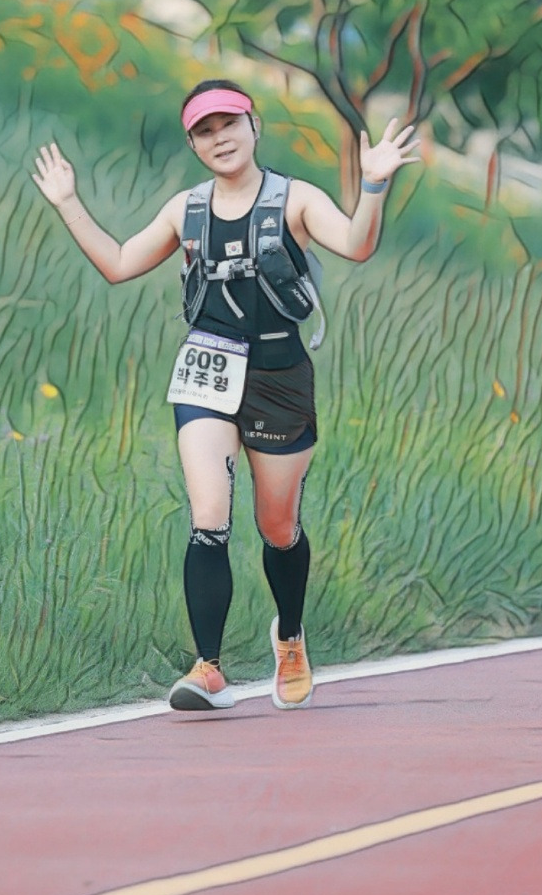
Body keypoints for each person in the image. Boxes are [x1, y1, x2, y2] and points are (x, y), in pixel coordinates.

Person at [31, 79, 419, 712]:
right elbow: (119, 264)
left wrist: (373, 185)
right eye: (205, 132)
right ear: (193, 144)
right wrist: (68, 202)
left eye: (229, 124)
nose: (220, 139)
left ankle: (289, 637)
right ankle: (208, 668)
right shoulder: (184, 210)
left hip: (278, 375)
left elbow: (357, 245)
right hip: (206, 368)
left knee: (277, 527)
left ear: (253, 126)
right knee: (209, 517)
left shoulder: (295, 199)